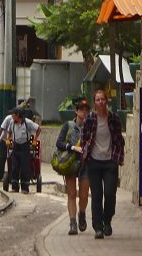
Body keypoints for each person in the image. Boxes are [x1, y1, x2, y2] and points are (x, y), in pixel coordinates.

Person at [80, 89, 125, 239]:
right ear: (95, 102)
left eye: (103, 99)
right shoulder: (90, 119)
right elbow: (84, 137)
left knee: (110, 194)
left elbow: (119, 139)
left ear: (107, 101)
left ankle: (107, 221)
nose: (100, 102)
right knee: (97, 196)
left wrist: (118, 157)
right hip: (94, 162)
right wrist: (86, 153)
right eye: (98, 100)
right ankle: (98, 227)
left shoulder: (114, 119)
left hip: (110, 162)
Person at [56, 98, 91, 235]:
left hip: (86, 164)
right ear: (76, 111)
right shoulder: (68, 125)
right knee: (71, 193)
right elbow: (59, 143)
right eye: (81, 110)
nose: (84, 112)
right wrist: (71, 147)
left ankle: (82, 213)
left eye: (86, 110)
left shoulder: (91, 126)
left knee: (83, 195)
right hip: (70, 163)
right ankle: (72, 223)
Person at [5, 107, 41, 194]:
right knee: (15, 167)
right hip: (16, 145)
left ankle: (25, 188)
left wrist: (35, 139)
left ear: (18, 115)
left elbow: (38, 129)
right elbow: (9, 132)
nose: (12, 116)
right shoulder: (12, 123)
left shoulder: (27, 123)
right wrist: (8, 139)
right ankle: (15, 187)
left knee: (25, 167)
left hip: (25, 146)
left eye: (13, 114)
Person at [0, 109, 14, 182]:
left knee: (12, 160)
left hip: (12, 142)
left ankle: (11, 178)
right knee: (2, 158)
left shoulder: (20, 120)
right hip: (4, 140)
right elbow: (1, 129)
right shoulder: (8, 118)